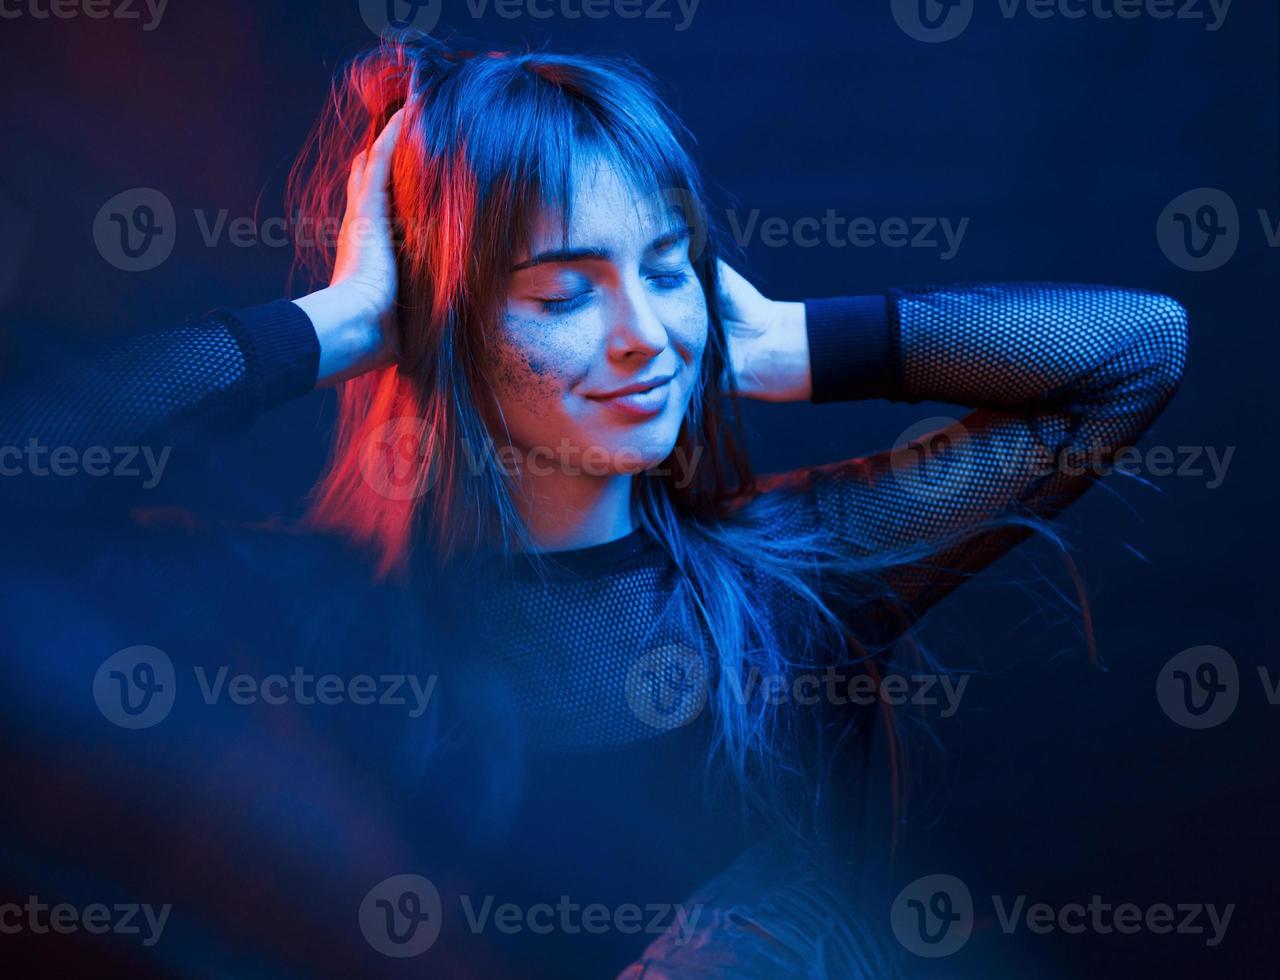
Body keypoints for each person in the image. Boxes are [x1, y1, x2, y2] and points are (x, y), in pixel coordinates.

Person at [0, 32, 1187, 978]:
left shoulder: (794, 572)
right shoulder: (321, 623)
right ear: (444, 319)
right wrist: (346, 320)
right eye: (567, 289)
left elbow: (1137, 345)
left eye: (666, 268)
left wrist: (779, 340)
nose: (643, 339)